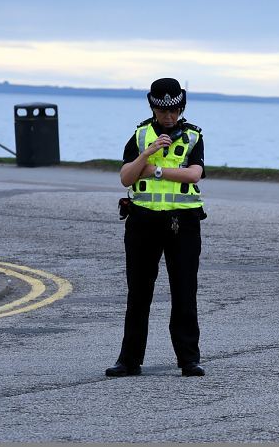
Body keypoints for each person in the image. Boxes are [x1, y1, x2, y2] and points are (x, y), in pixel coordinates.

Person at [106, 78, 207, 377]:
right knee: (138, 293)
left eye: (174, 110)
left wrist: (158, 170)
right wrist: (147, 154)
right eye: (163, 111)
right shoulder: (139, 136)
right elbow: (126, 177)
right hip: (143, 221)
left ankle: (189, 359)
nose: (169, 116)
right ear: (152, 107)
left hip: (182, 223)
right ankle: (129, 360)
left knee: (184, 291)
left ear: (182, 106)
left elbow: (194, 175)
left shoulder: (192, 137)